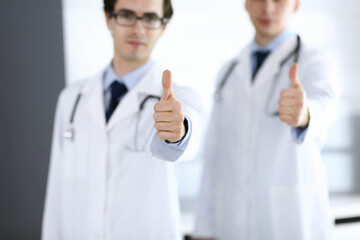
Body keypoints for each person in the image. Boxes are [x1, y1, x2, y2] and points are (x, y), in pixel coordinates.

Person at [42, 0, 202, 239]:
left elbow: (189, 143)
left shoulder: (180, 99)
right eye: (127, 15)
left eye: (149, 18)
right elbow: (56, 192)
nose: (138, 29)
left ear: (163, 26)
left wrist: (178, 132)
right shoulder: (72, 99)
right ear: (109, 18)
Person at [193, 0, 338, 239]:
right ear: (246, 3)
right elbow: (213, 156)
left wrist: (305, 114)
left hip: (291, 221)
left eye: (279, 0)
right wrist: (203, 229)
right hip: (232, 224)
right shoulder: (228, 72)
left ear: (296, 5)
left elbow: (325, 104)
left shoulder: (313, 61)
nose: (268, 8)